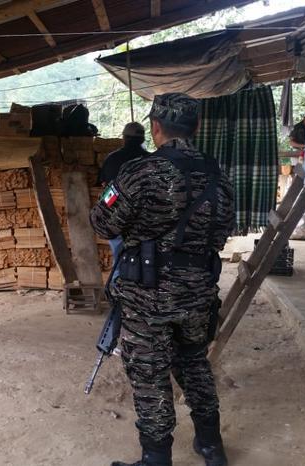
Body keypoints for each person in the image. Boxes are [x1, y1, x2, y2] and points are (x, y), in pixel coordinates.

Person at [89, 93, 235, 466]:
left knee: (150, 372)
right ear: (196, 127)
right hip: (198, 292)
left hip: (147, 295)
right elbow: (220, 235)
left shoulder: (138, 172)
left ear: (155, 128)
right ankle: (211, 446)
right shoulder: (219, 175)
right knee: (194, 363)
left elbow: (102, 222)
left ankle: (156, 458)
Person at [97, 122, 151, 271]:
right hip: (144, 221)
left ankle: (117, 291)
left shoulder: (112, 159)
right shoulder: (151, 160)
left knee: (120, 262)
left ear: (124, 138)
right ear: (142, 139)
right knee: (144, 261)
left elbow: (105, 188)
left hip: (117, 219)